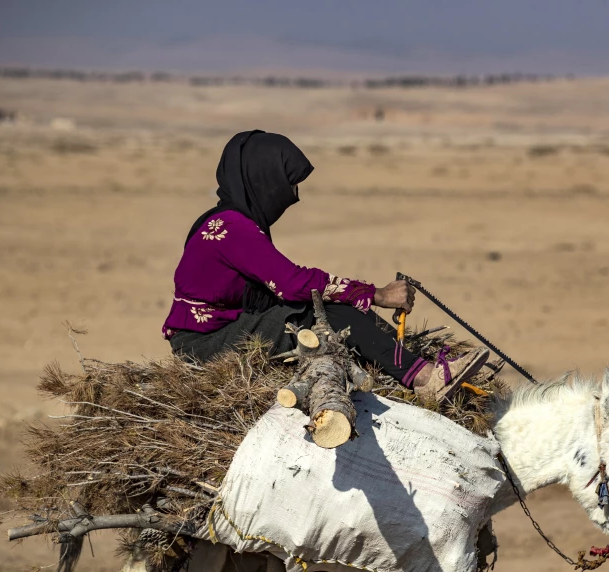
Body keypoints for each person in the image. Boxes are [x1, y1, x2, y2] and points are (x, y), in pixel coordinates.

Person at [162, 130, 488, 400]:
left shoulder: (231, 222)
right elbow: (292, 283)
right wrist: (377, 294)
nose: (295, 194)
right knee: (325, 310)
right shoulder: (233, 228)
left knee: (331, 305)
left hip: (222, 331)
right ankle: (423, 379)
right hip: (205, 346)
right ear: (265, 181)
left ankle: (406, 361)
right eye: (289, 183)